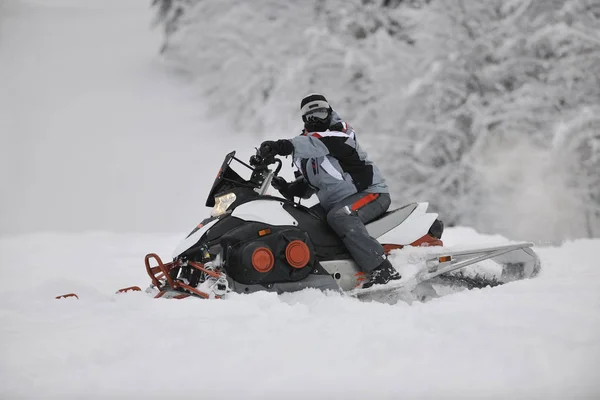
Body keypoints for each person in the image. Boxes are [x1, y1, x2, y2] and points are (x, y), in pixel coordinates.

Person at [258, 93, 400, 288]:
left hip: (371, 194)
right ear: (304, 120)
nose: (317, 119)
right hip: (336, 203)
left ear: (330, 112)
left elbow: (320, 143)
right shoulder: (307, 152)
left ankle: (382, 270)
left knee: (340, 216)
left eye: (322, 113)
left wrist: (282, 146)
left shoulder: (341, 134)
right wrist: (287, 187)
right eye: (311, 116)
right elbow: (309, 185)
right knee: (302, 221)